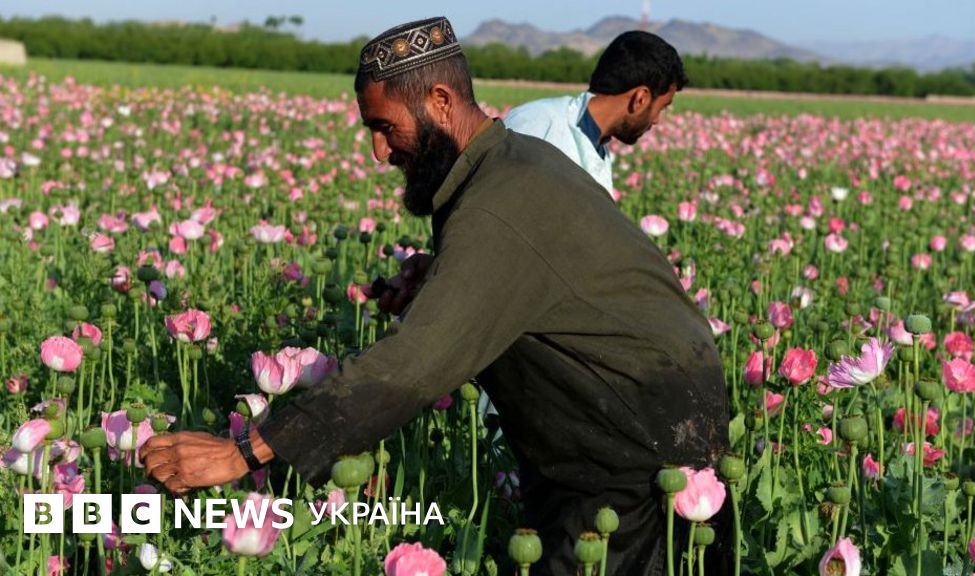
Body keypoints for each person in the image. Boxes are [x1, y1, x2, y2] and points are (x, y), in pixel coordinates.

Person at [140, 17, 729, 576]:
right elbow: (543, 277)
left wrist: (243, 453)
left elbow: (415, 364)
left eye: (385, 127)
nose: (379, 152)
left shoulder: (499, 202)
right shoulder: (509, 163)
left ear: (441, 101)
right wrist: (444, 276)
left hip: (639, 448)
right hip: (622, 425)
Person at [502, 30, 686, 193]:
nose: (656, 120)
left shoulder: (598, 148)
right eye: (661, 107)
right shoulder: (538, 122)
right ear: (640, 99)